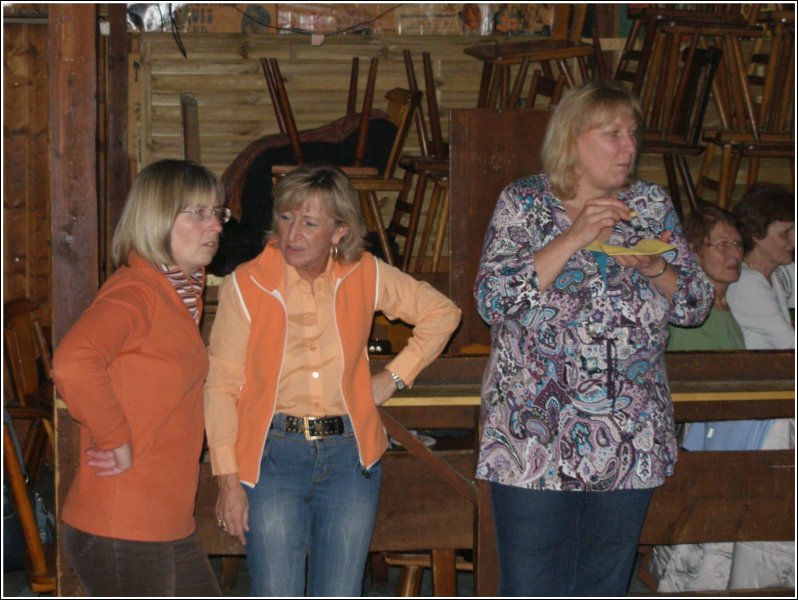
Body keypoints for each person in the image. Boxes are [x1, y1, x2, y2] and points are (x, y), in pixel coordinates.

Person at [474, 80, 713, 597]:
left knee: (603, 586)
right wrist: (574, 237)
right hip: (534, 438)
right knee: (531, 587)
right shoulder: (525, 202)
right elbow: (492, 299)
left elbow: (696, 304)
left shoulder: (650, 204)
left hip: (629, 436)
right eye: (612, 134)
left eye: (633, 134)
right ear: (572, 139)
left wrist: (655, 267)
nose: (629, 147)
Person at [204, 163, 461, 596]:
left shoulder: (365, 272)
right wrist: (227, 480)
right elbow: (221, 385)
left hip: (349, 457)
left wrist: (394, 377)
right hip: (272, 457)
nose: (292, 234)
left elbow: (443, 313)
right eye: (285, 218)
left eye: (309, 223)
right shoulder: (246, 285)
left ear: (340, 231)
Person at [51, 160, 226, 596]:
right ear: (156, 218)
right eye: (198, 213)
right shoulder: (138, 291)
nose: (216, 226)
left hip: (165, 518)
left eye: (217, 213)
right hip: (123, 522)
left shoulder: (178, 293)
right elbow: (73, 361)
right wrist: (114, 438)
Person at [727, 182, 795, 349]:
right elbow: (789, 344)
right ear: (756, 234)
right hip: (759, 366)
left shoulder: (774, 271)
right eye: (785, 233)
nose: (794, 240)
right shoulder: (746, 283)